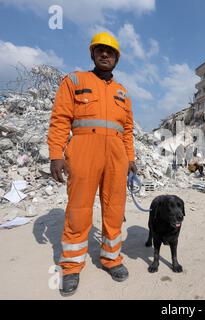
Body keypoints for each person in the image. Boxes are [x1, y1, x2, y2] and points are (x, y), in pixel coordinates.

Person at [47, 32, 137, 296]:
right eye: (100, 50)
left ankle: (111, 258)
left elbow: (128, 129)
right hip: (84, 149)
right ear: (93, 54)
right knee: (79, 207)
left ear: (117, 58)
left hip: (117, 154)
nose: (105, 54)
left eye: (111, 51)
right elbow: (60, 119)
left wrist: (131, 158)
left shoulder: (123, 92)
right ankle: (72, 266)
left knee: (114, 207)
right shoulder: (75, 80)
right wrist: (56, 154)